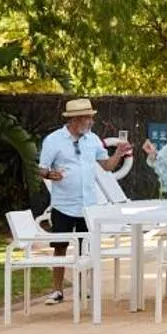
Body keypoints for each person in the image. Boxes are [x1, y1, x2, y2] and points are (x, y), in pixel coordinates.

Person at [35, 97, 132, 304]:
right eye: (87, 118)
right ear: (75, 120)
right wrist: (51, 175)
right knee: (60, 246)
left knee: (84, 247)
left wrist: (118, 154)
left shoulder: (93, 140)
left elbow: (106, 166)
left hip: (88, 205)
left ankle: (83, 288)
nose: (91, 122)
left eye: (90, 118)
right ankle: (57, 290)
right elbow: (41, 169)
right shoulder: (54, 140)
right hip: (63, 204)